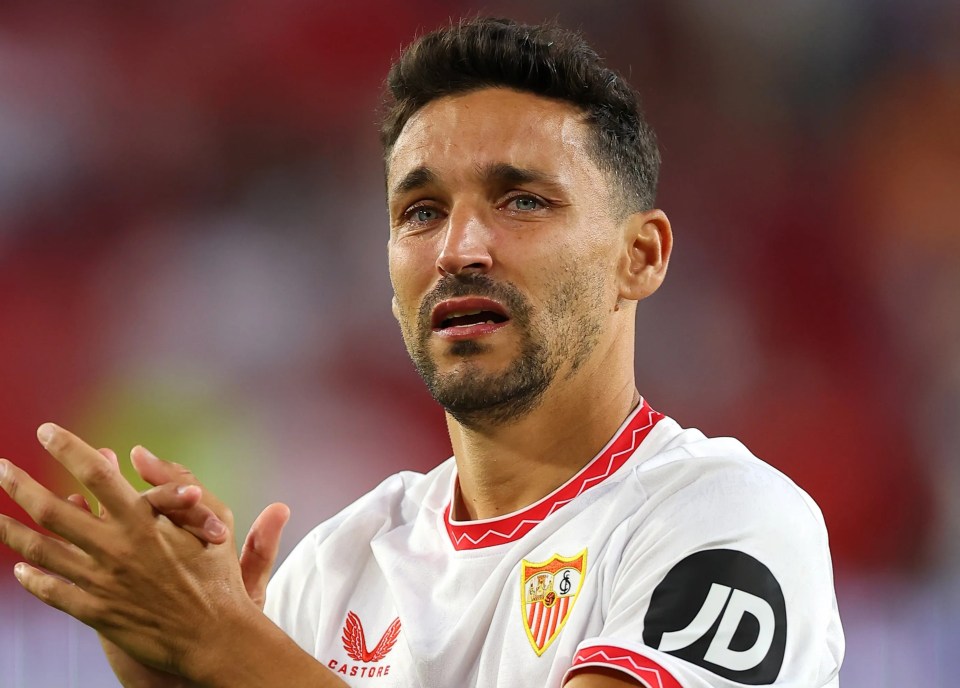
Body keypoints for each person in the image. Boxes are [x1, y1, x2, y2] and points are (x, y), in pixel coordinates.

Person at [0, 17, 844, 688]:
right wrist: (176, 677)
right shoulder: (337, 569)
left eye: (521, 200)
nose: (459, 248)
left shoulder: (731, 525)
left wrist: (227, 651)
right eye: (421, 211)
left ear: (642, 256)